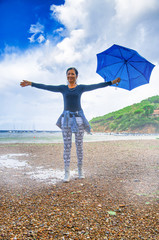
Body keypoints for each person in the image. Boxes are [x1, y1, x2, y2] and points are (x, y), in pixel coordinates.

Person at [20, 67, 120, 182]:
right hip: (66, 119)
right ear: (66, 76)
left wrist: (112, 82)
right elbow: (47, 87)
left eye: (72, 74)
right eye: (68, 74)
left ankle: (80, 170)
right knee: (67, 147)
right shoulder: (63, 88)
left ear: (76, 76)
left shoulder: (81, 88)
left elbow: (96, 85)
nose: (70, 76)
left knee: (79, 146)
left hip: (78, 119)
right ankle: (66, 172)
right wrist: (31, 83)